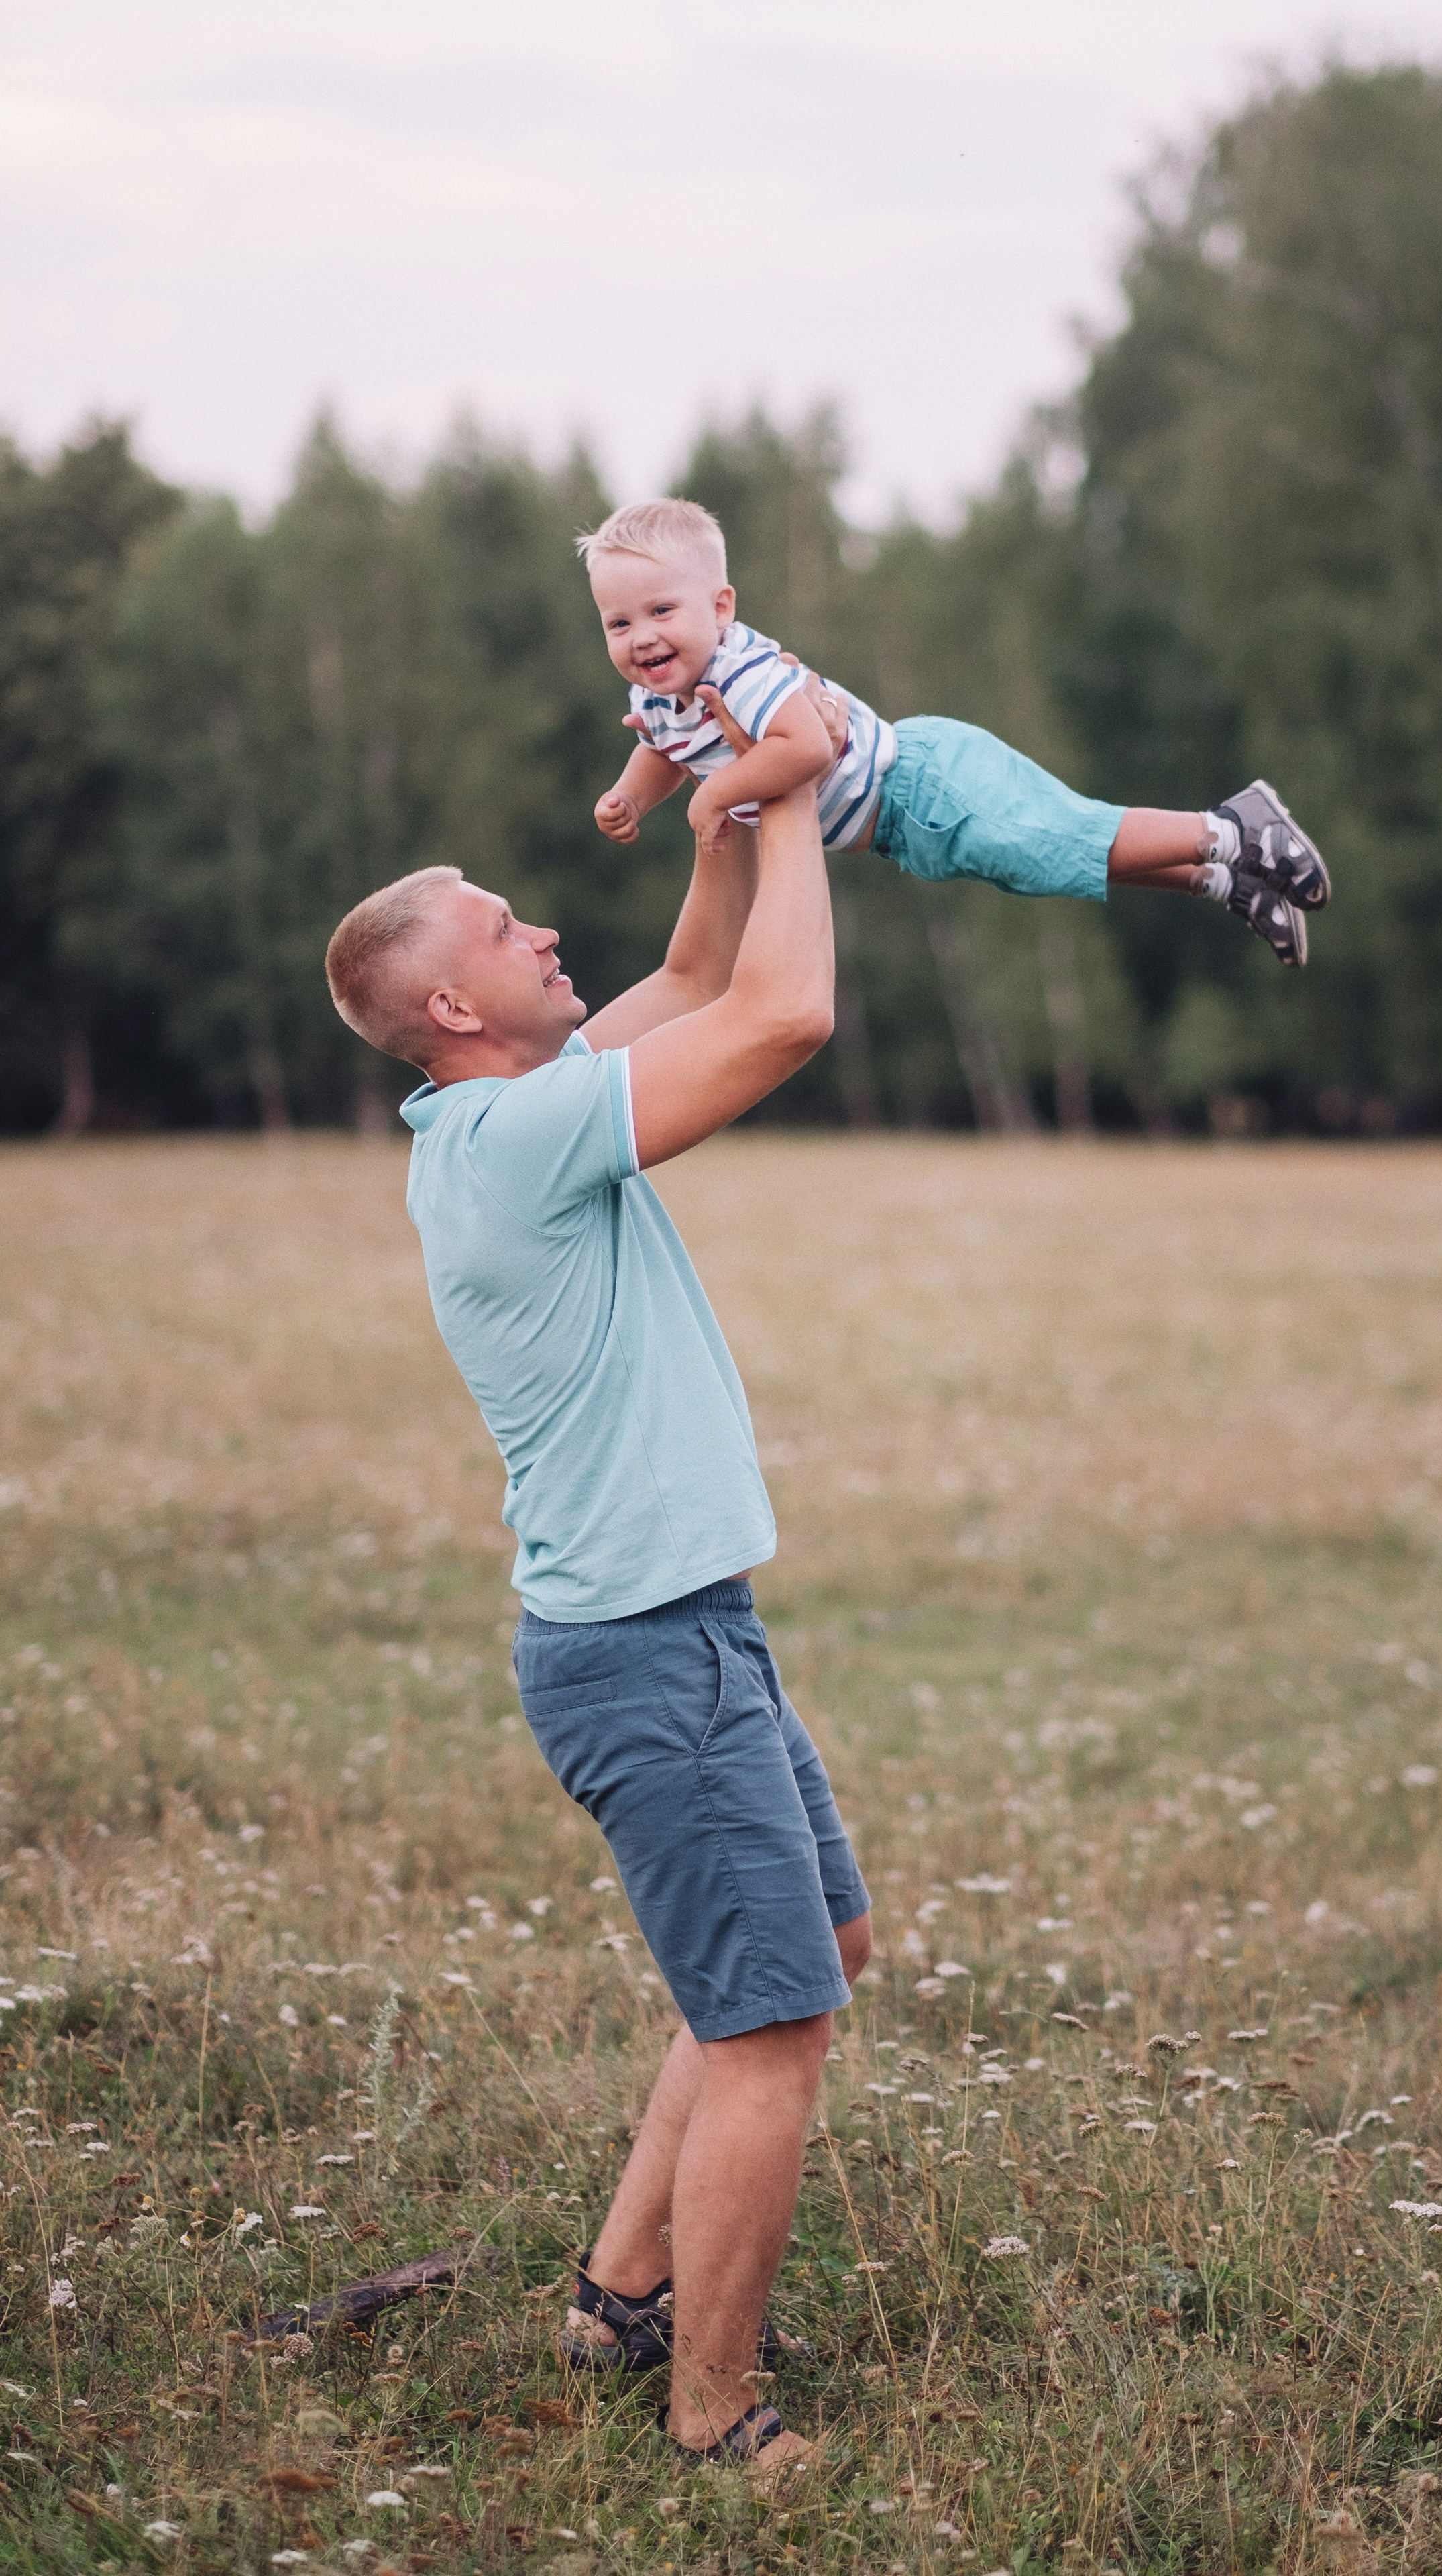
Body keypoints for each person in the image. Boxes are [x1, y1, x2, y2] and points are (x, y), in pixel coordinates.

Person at [323, 697, 869, 2487]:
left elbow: (701, 971)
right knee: (773, 2025)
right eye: (499, 922)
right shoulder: (513, 1145)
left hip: (689, 1624)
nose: (540, 923)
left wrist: (721, 779)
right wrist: (790, 781)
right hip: (641, 1650)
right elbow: (782, 1014)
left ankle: (628, 2289)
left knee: (810, 1965)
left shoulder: (523, 1112)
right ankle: (715, 2415)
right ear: (454, 1010)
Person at [582, 494, 1330, 967]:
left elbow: (805, 746)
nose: (641, 638)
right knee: (1050, 859)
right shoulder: (655, 700)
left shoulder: (744, 671)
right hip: (902, 830)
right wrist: (629, 798)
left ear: (719, 608)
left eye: (661, 612)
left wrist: (712, 802)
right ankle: (1222, 880)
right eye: (619, 622)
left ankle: (1234, 828)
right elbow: (664, 751)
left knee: (1059, 837)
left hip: (921, 784)